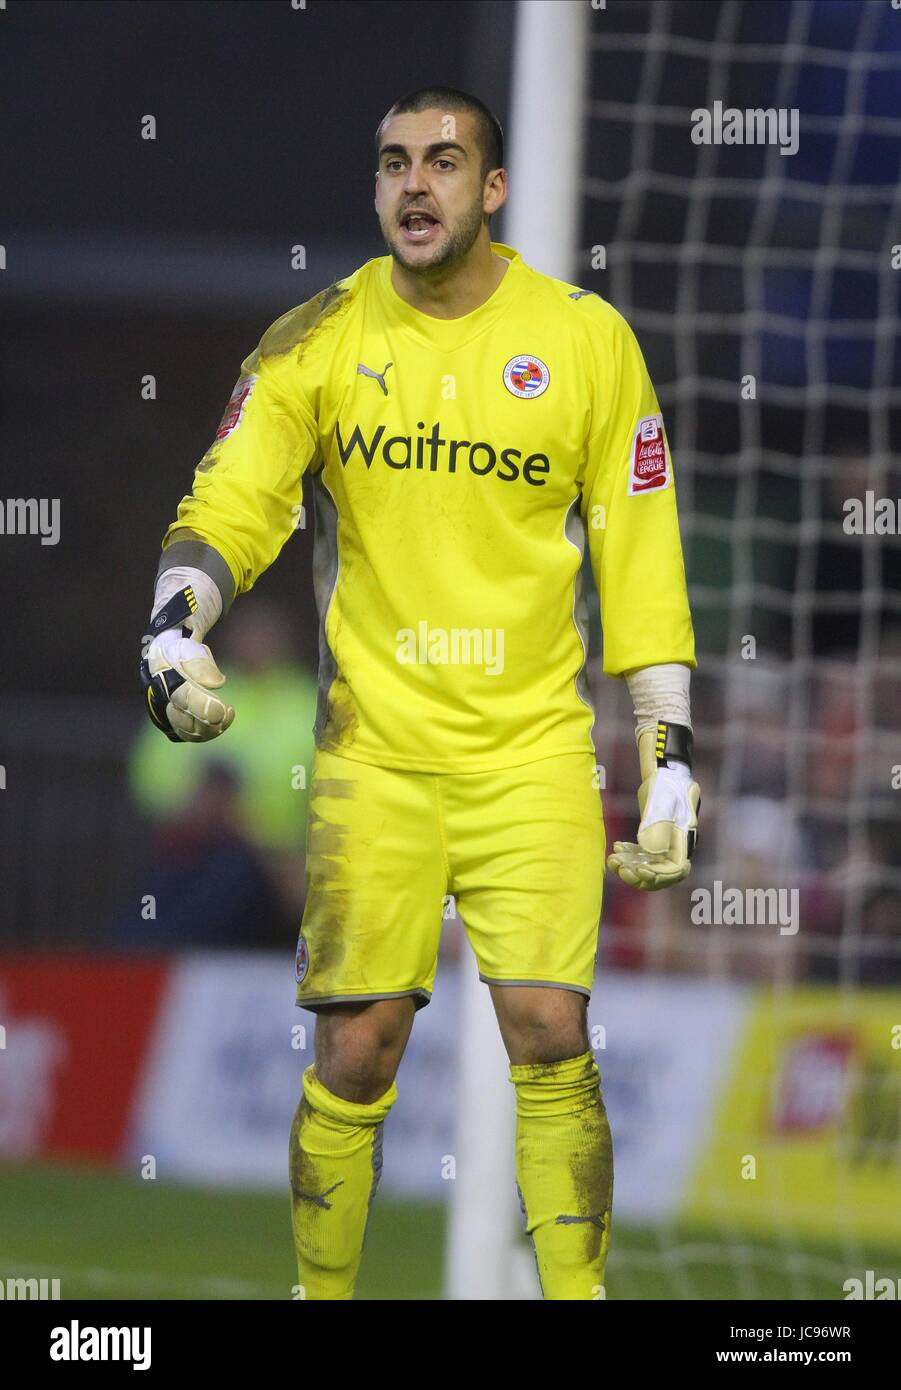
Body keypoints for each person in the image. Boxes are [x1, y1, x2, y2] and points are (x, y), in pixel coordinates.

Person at [138, 86, 700, 1301]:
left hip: (534, 753)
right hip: (373, 759)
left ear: (492, 189)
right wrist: (173, 625)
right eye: (394, 162)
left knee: (551, 1029)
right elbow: (231, 504)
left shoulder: (587, 339)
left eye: (444, 162)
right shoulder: (317, 338)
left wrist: (669, 752)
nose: (415, 185)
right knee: (355, 1049)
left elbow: (639, 549)